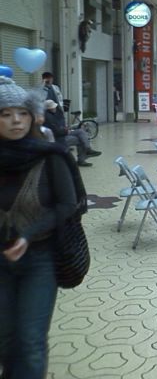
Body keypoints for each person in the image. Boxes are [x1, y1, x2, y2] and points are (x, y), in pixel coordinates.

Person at [0, 75, 82, 378]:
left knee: (30, 340)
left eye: (21, 113)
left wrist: (27, 235)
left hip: (40, 258)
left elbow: (67, 204)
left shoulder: (49, 156)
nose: (16, 121)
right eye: (6, 115)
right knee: (6, 339)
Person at [43, 99, 101, 167]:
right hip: (58, 138)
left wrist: (65, 129)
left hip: (61, 133)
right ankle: (82, 158)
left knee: (81, 131)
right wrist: (65, 131)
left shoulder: (52, 115)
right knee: (79, 140)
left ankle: (88, 149)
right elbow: (55, 131)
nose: (55, 108)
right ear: (50, 108)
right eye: (53, 107)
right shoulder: (49, 118)